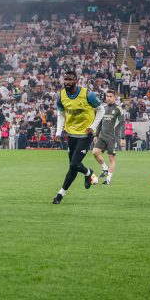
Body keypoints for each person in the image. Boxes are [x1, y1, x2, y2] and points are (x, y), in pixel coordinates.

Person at [52, 71, 105, 204]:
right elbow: (61, 114)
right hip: (71, 134)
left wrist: (92, 127)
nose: (67, 82)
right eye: (65, 79)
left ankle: (60, 194)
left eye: (70, 79)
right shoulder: (61, 95)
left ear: (76, 81)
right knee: (74, 165)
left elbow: (101, 110)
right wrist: (58, 133)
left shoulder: (88, 94)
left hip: (85, 135)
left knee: (74, 164)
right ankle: (88, 172)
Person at [92, 90, 125, 185]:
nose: (108, 98)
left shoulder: (118, 109)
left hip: (112, 138)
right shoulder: (103, 108)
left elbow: (122, 124)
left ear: (115, 98)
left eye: (111, 96)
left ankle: (108, 179)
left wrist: (122, 138)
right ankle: (105, 168)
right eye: (107, 96)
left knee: (111, 158)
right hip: (102, 136)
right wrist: (96, 135)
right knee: (95, 152)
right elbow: (99, 122)